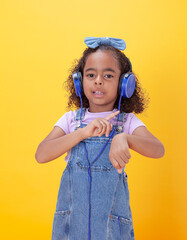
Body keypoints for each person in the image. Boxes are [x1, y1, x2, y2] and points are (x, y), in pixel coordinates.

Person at [35, 37, 165, 240]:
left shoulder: (127, 122)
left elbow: (158, 149)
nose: (98, 80)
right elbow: (41, 154)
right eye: (91, 74)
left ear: (124, 84)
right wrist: (81, 134)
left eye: (108, 75)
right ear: (79, 81)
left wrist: (125, 138)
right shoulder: (71, 120)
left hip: (110, 228)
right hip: (72, 226)